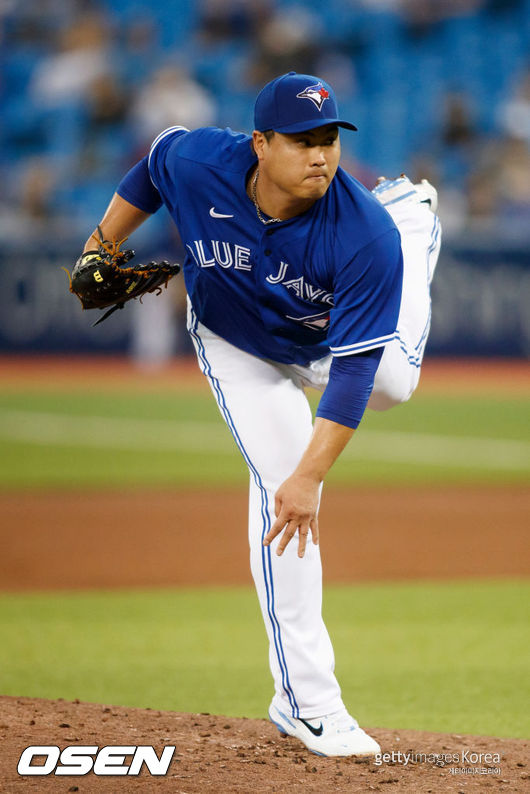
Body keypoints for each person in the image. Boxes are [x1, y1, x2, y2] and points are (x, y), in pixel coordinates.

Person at [80, 71, 441, 757]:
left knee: (396, 382)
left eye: (329, 139)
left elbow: (356, 373)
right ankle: (307, 703)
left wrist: (314, 473)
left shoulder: (361, 234)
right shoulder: (202, 162)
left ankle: (415, 222)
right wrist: (100, 246)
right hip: (238, 341)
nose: (320, 155)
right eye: (302, 141)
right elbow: (152, 167)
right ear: (260, 145)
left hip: (331, 344)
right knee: (282, 500)